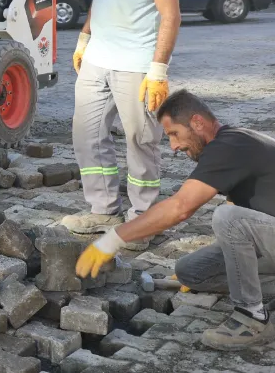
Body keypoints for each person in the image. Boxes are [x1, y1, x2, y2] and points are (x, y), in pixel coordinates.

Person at [77, 90, 275, 351]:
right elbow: (240, 207)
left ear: (197, 122)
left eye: (174, 134)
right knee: (191, 271)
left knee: (228, 218)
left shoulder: (229, 146)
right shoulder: (232, 144)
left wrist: (112, 239)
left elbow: (180, 207)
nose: (173, 146)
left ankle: (251, 317)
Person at [63, 0, 180, 250]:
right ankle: (103, 210)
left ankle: (143, 220)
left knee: (140, 140)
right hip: (97, 60)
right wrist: (84, 37)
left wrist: (157, 71)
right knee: (87, 136)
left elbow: (170, 16)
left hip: (136, 65)